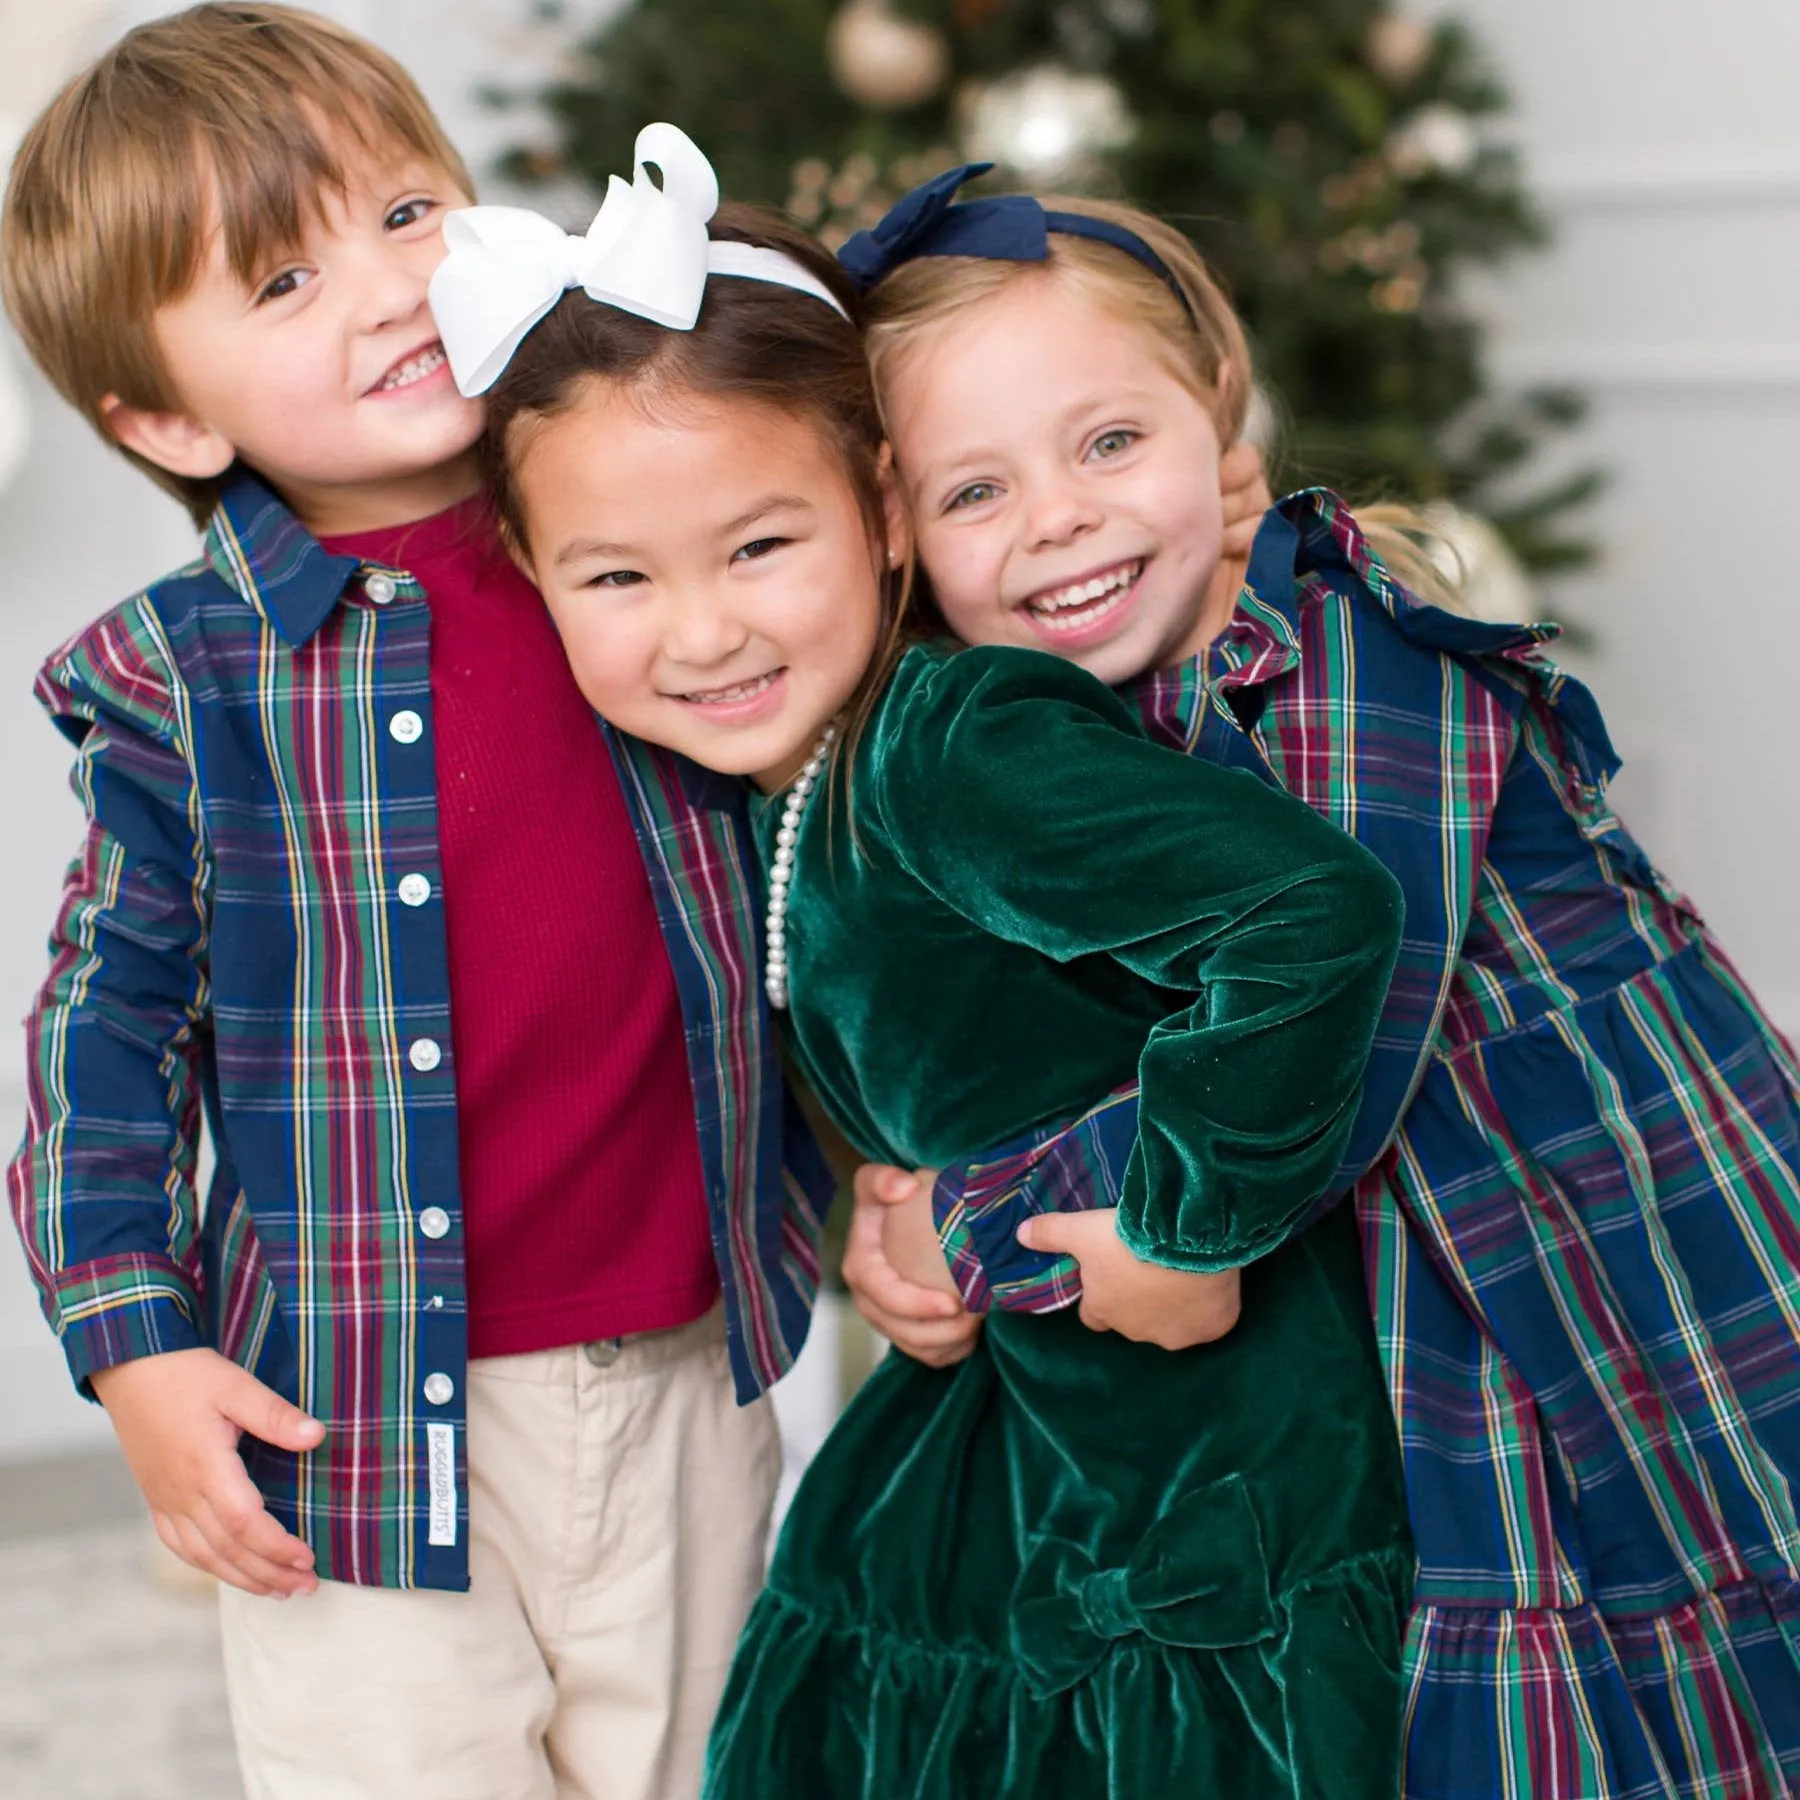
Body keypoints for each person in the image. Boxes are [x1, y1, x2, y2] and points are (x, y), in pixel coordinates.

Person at [436, 122, 1417, 1798]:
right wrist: (895, 1198)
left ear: (880, 515)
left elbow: (1305, 913)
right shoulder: (782, 776)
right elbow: (968, 1040)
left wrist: (1190, 1219)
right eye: (620, 576)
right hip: (1033, 1420)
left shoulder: (949, 743)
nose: (706, 629)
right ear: (538, 580)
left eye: (760, 546)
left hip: (1209, 1467)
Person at [841, 166, 1800, 1798]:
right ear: (898, 536)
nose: (1058, 516)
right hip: (1445, 1264)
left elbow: (1324, 1033)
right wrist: (901, 1209)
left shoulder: (1342, 670)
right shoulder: (1058, 727)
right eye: (974, 492)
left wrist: (983, 1218)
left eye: (1108, 443)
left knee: (1673, 1634)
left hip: (1600, 1250)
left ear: (1219, 429)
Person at [2, 14, 836, 1797]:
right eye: (287, 277)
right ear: (161, 411)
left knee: (711, 1762)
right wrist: (132, 1342)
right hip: (353, 1424)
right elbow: (104, 1037)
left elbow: (817, 862)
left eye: (406, 212)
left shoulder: (623, 528)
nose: (388, 289)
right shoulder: (185, 683)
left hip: (689, 1358)